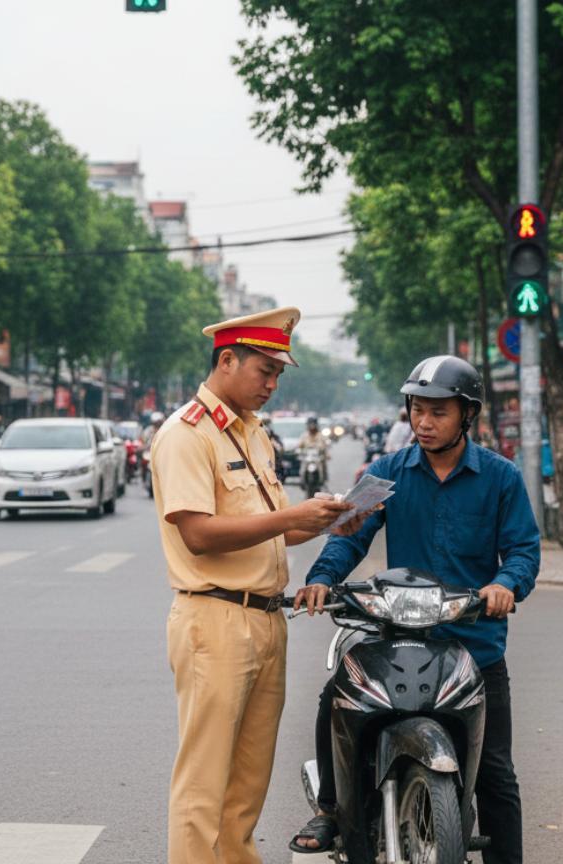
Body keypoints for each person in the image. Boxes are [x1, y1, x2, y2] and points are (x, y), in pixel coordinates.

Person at [290, 355, 540, 863]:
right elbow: (349, 535)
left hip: (474, 644)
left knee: (496, 775)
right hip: (395, 637)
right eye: (417, 410)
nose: (424, 423)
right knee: (334, 700)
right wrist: (321, 579)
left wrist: (504, 584)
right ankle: (331, 807)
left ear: (467, 415)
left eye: (438, 412)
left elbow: (523, 551)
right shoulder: (386, 473)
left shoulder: (501, 478)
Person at [151, 306, 371, 864]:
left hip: (267, 619)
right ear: (227, 360)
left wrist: (321, 523)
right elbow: (199, 534)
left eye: (278, 374)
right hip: (215, 621)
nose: (272, 384)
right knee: (204, 784)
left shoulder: (252, 433)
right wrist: (288, 517)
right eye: (264, 371)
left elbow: (266, 535)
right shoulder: (187, 435)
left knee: (247, 785)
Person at [296, 416, 329, 487]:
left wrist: (327, 454)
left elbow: (325, 446)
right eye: (310, 424)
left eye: (313, 424)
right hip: (307, 457)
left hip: (317, 457)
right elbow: (299, 445)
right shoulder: (304, 435)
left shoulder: (321, 436)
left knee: (322, 464)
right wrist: (298, 450)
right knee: (302, 467)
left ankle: (323, 479)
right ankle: (302, 481)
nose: (312, 427)